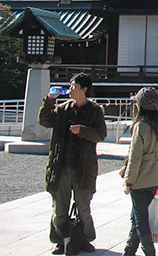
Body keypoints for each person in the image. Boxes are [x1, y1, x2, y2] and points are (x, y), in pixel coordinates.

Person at [38, 72, 107, 255]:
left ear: (84, 89)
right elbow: (44, 120)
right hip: (61, 166)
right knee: (59, 207)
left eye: (73, 86)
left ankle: (85, 239)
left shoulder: (95, 110)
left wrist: (83, 131)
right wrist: (49, 101)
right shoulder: (62, 109)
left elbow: (100, 134)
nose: (70, 89)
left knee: (83, 206)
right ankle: (60, 239)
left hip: (83, 167)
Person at [122, 88, 158, 256]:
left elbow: (135, 157)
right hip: (155, 177)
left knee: (140, 218)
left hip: (139, 178)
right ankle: (129, 251)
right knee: (136, 215)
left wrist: (128, 181)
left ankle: (149, 252)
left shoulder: (140, 126)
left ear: (139, 106)